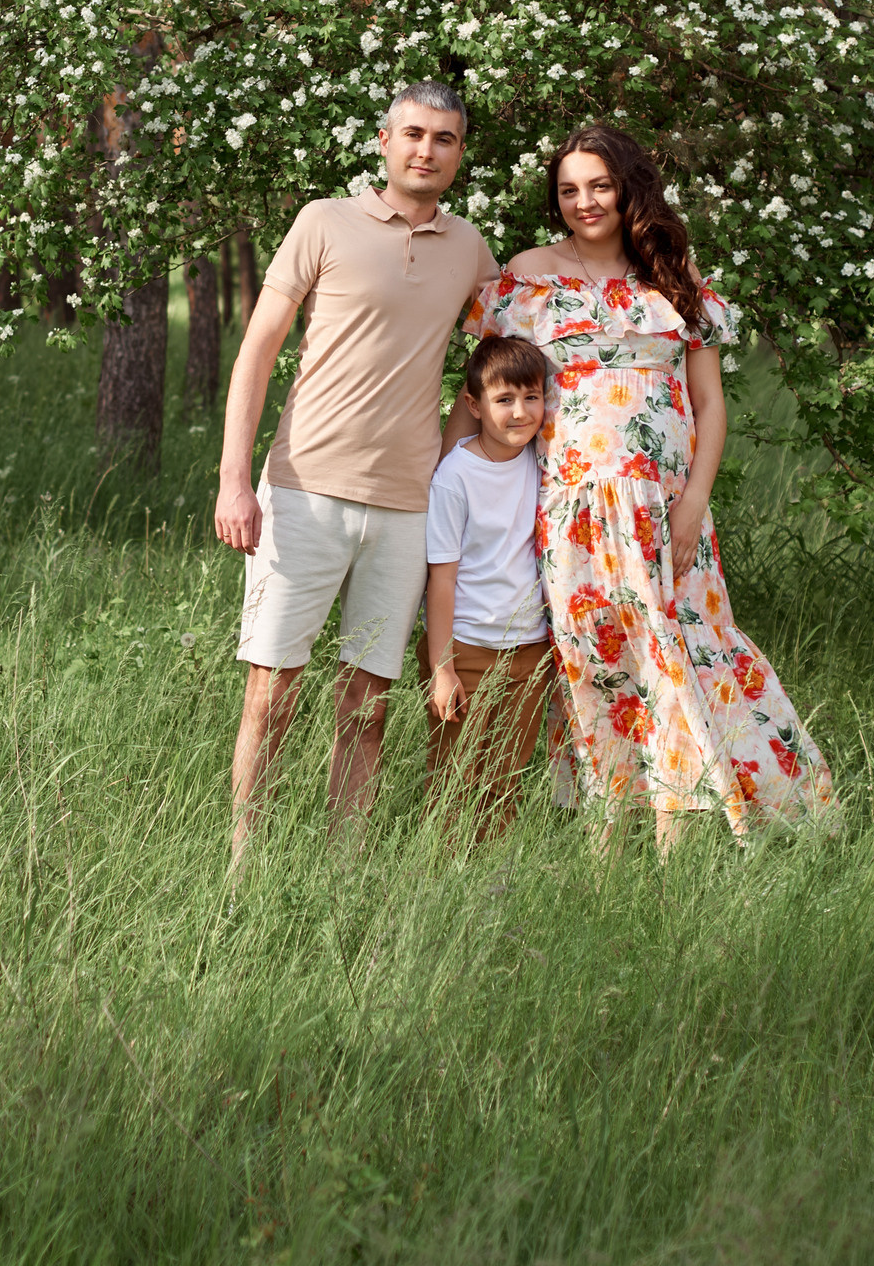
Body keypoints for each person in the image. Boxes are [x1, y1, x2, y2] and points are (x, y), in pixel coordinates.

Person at [460, 121, 832, 847]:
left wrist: (694, 500)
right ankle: (605, 841)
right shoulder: (529, 275)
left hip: (663, 509)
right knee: (594, 662)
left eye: (599, 185)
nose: (584, 202)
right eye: (568, 190)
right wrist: (454, 480)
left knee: (677, 652)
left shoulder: (671, 277)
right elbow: (480, 389)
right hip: (568, 505)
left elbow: (710, 403)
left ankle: (679, 836)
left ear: (629, 186)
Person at [215, 82, 498, 850]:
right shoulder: (323, 221)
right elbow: (258, 351)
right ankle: (246, 869)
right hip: (302, 491)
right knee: (270, 698)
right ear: (383, 140)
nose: (425, 150)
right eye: (412, 134)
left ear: (459, 154)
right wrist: (233, 481)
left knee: (366, 709)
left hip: (407, 507)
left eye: (444, 139)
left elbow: (496, 366)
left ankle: (344, 875)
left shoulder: (470, 249)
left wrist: (451, 466)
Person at [421, 333, 555, 839]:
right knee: (455, 780)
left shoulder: (542, 461)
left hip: (528, 648)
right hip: (467, 649)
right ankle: (441, 882)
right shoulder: (455, 475)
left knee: (504, 782)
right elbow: (442, 578)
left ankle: (491, 890)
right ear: (474, 406)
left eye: (532, 397)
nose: (520, 412)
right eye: (504, 400)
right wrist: (441, 668)